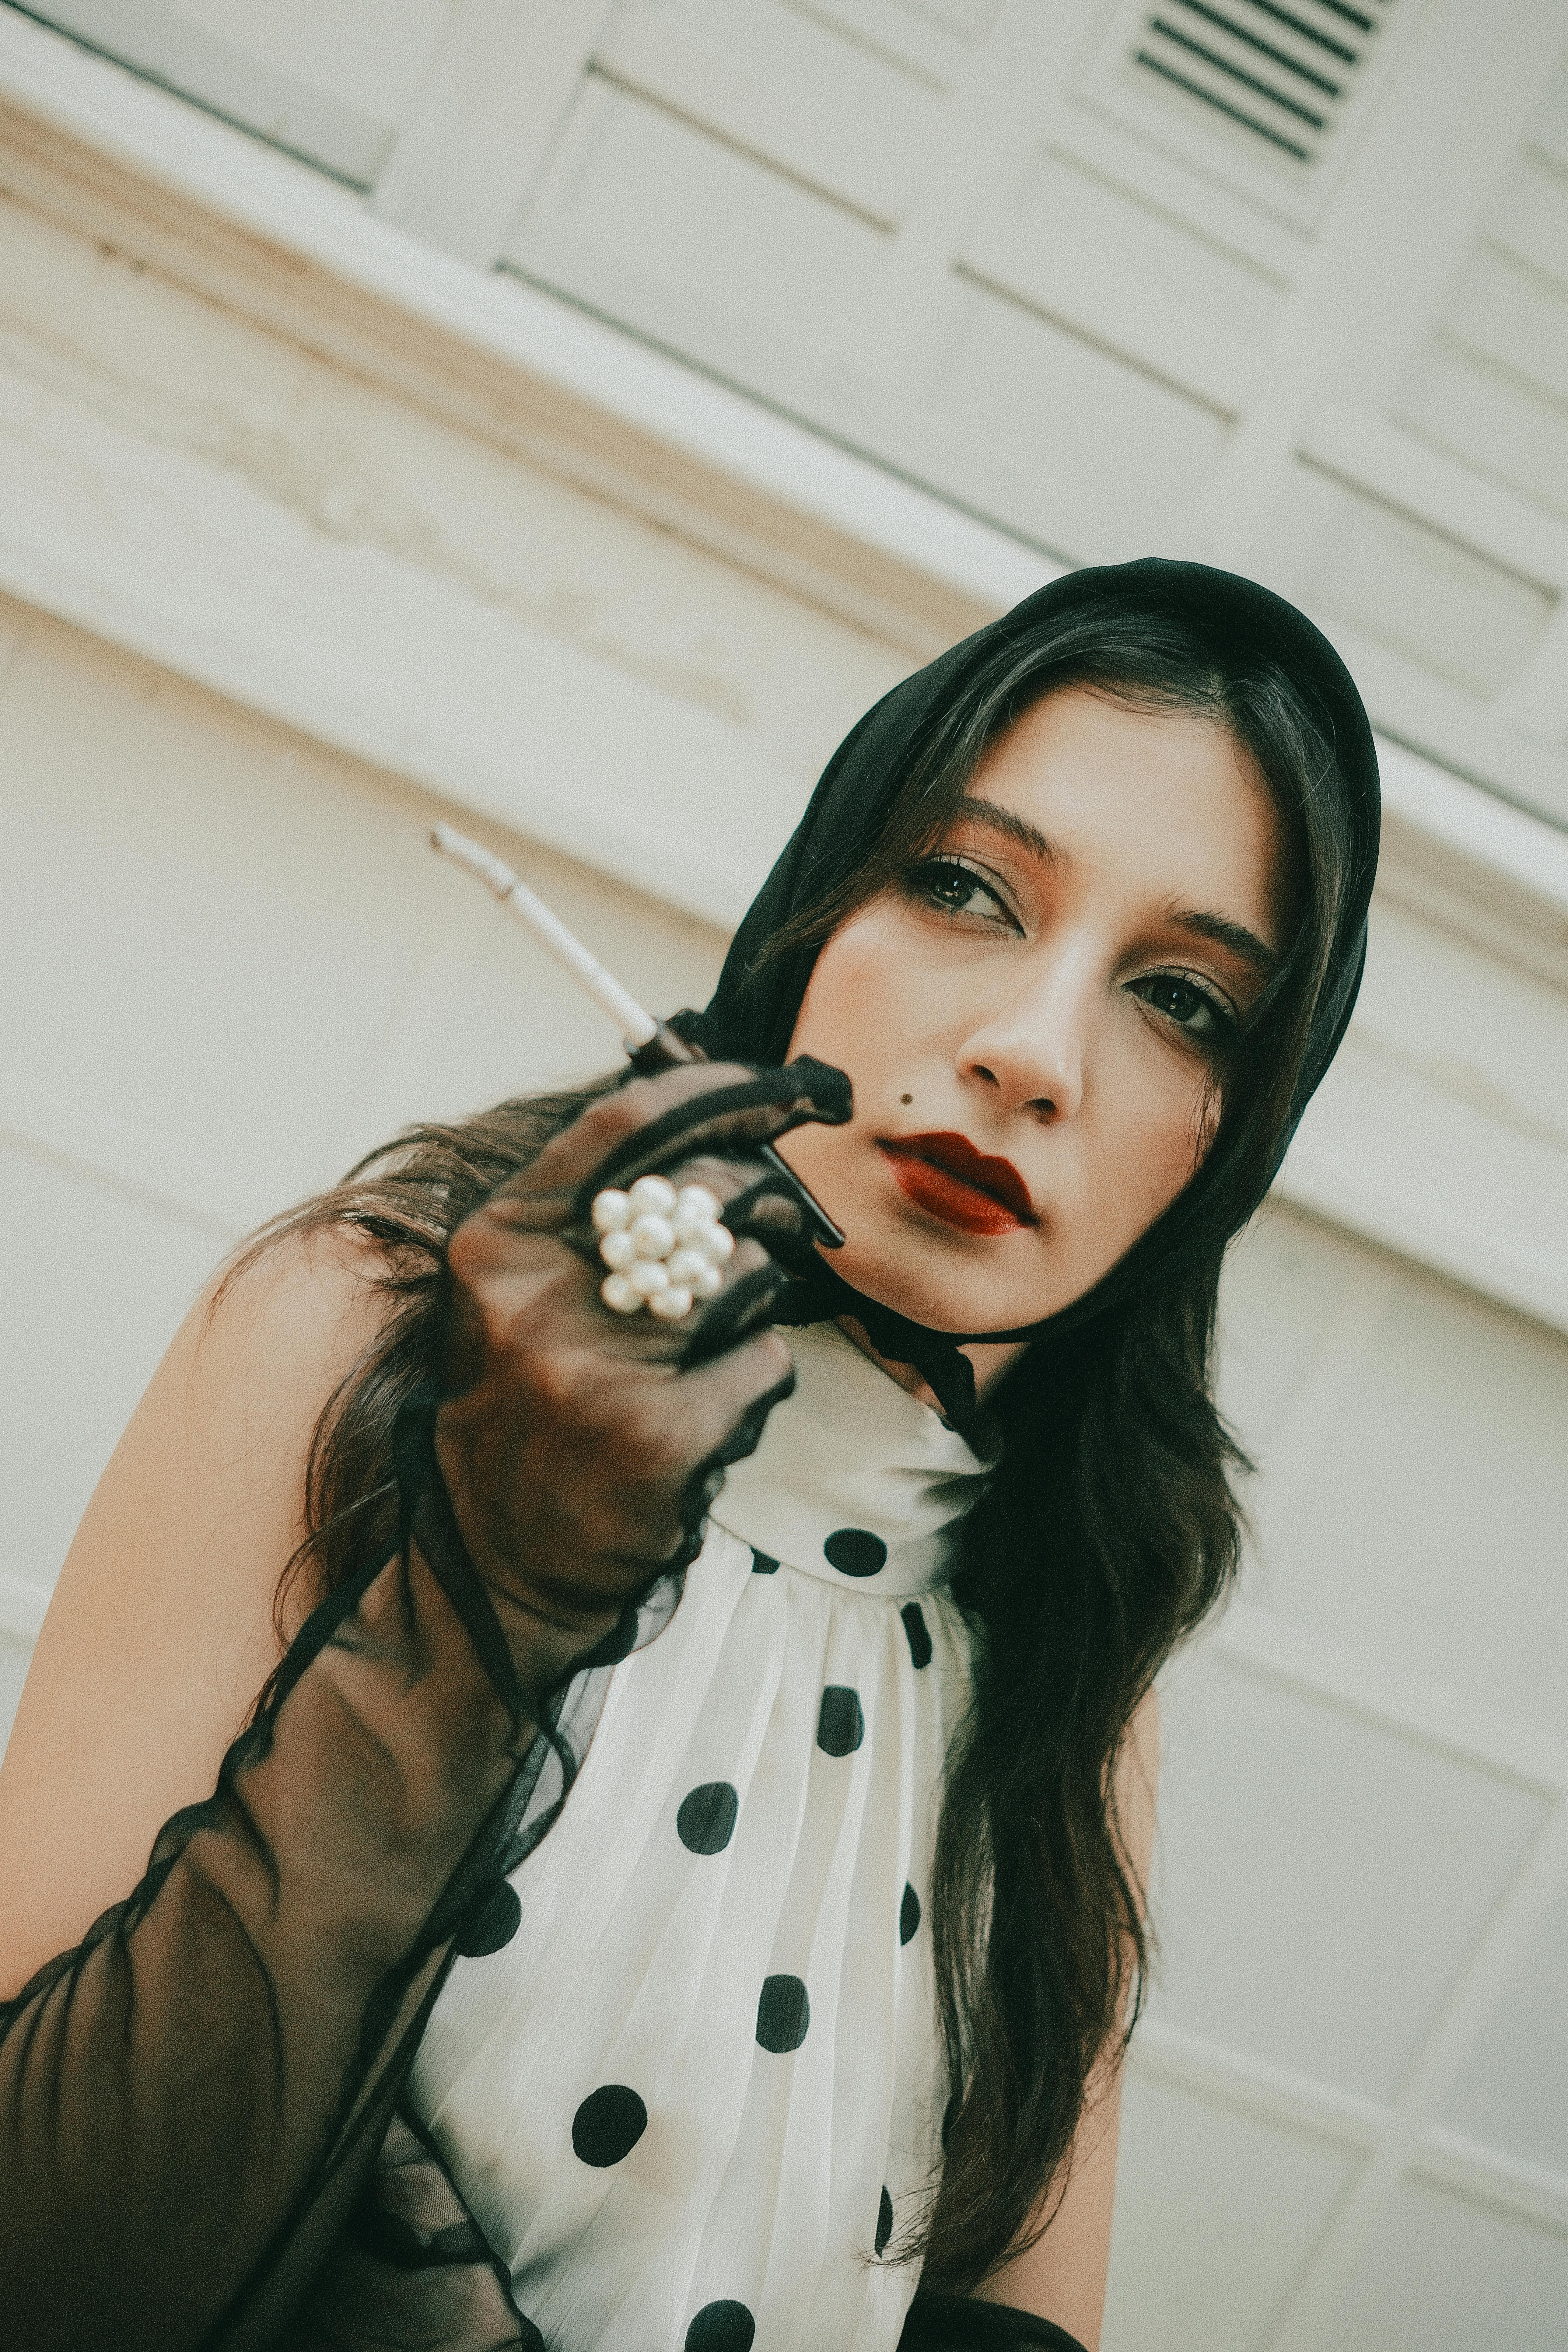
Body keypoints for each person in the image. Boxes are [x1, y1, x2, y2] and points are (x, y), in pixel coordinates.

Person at [0, 559, 1379, 2352]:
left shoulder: (1075, 1606)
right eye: (965, 888)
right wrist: (488, 1588)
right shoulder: (355, 1336)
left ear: (1238, 1136)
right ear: (821, 902)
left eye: (1183, 999)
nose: (1033, 1054)